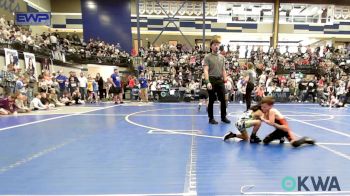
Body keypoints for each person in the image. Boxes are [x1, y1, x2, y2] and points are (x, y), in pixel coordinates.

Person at [203, 39, 230, 124]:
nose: (217, 46)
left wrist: (225, 79)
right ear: (211, 46)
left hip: (219, 80)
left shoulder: (222, 57)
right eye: (215, 45)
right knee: (211, 100)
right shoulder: (207, 57)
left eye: (218, 45)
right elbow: (206, 70)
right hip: (211, 79)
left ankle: (223, 117)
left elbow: (223, 69)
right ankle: (211, 118)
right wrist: (207, 82)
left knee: (223, 99)